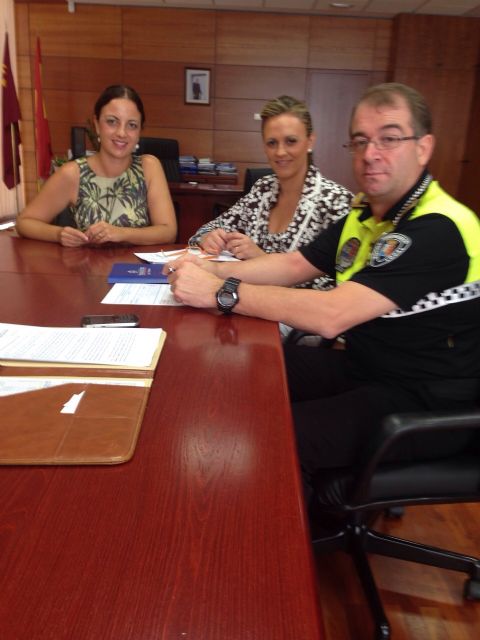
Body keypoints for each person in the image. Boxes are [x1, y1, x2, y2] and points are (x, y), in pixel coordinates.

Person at [163, 82, 480, 506]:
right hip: (368, 368)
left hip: (423, 403)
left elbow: (333, 315)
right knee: (245, 367)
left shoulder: (439, 227)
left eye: (389, 139)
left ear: (423, 148)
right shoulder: (367, 214)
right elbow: (294, 265)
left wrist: (222, 292)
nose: (371, 154)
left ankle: (295, 536)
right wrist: (208, 268)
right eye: (361, 141)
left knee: (274, 435)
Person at [189, 95, 352, 292]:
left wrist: (263, 260)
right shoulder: (262, 190)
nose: (280, 152)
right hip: (242, 304)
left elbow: (344, 288)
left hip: (293, 311)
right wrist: (208, 238)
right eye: (272, 143)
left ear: (310, 141)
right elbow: (203, 232)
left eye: (291, 141)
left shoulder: (336, 202)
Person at [16, 84, 177, 247]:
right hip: (85, 263)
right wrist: (58, 234)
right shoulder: (73, 173)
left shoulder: (148, 167)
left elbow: (168, 231)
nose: (121, 133)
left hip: (136, 264)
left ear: (140, 131)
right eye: (112, 122)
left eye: (132, 125)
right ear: (97, 124)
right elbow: (24, 222)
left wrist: (122, 233)